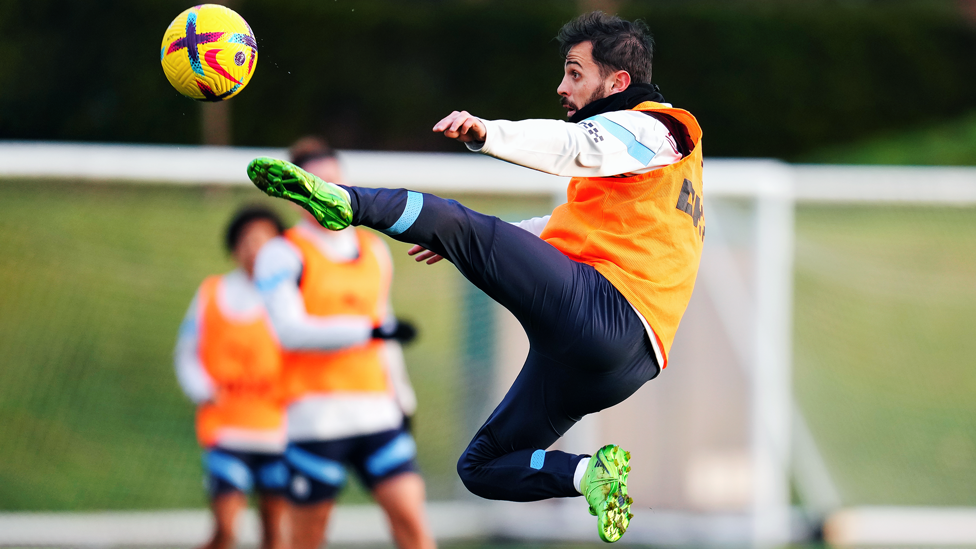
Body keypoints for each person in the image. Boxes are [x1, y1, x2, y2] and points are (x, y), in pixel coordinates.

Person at [247, 11, 703, 543]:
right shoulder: (644, 166)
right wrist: (472, 245)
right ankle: (588, 475)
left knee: (455, 219)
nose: (562, 86)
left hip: (608, 312)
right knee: (481, 466)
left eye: (575, 72)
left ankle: (344, 203)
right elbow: (558, 227)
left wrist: (487, 135)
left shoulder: (660, 126)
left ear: (618, 82)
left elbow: (572, 146)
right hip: (624, 362)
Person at [252, 138, 435, 549]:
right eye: (313, 185)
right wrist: (367, 332)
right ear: (293, 193)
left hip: (378, 418)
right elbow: (290, 332)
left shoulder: (373, 249)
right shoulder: (280, 254)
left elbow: (384, 324)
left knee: (415, 530)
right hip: (315, 421)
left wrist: (403, 400)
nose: (324, 194)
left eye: (332, 183)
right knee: (305, 540)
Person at [175, 206, 290, 549]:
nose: (255, 249)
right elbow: (186, 352)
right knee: (225, 529)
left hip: (279, 432)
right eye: (247, 241)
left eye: (264, 242)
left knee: (275, 531)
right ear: (235, 246)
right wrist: (202, 389)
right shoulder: (212, 292)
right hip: (226, 430)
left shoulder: (290, 296)